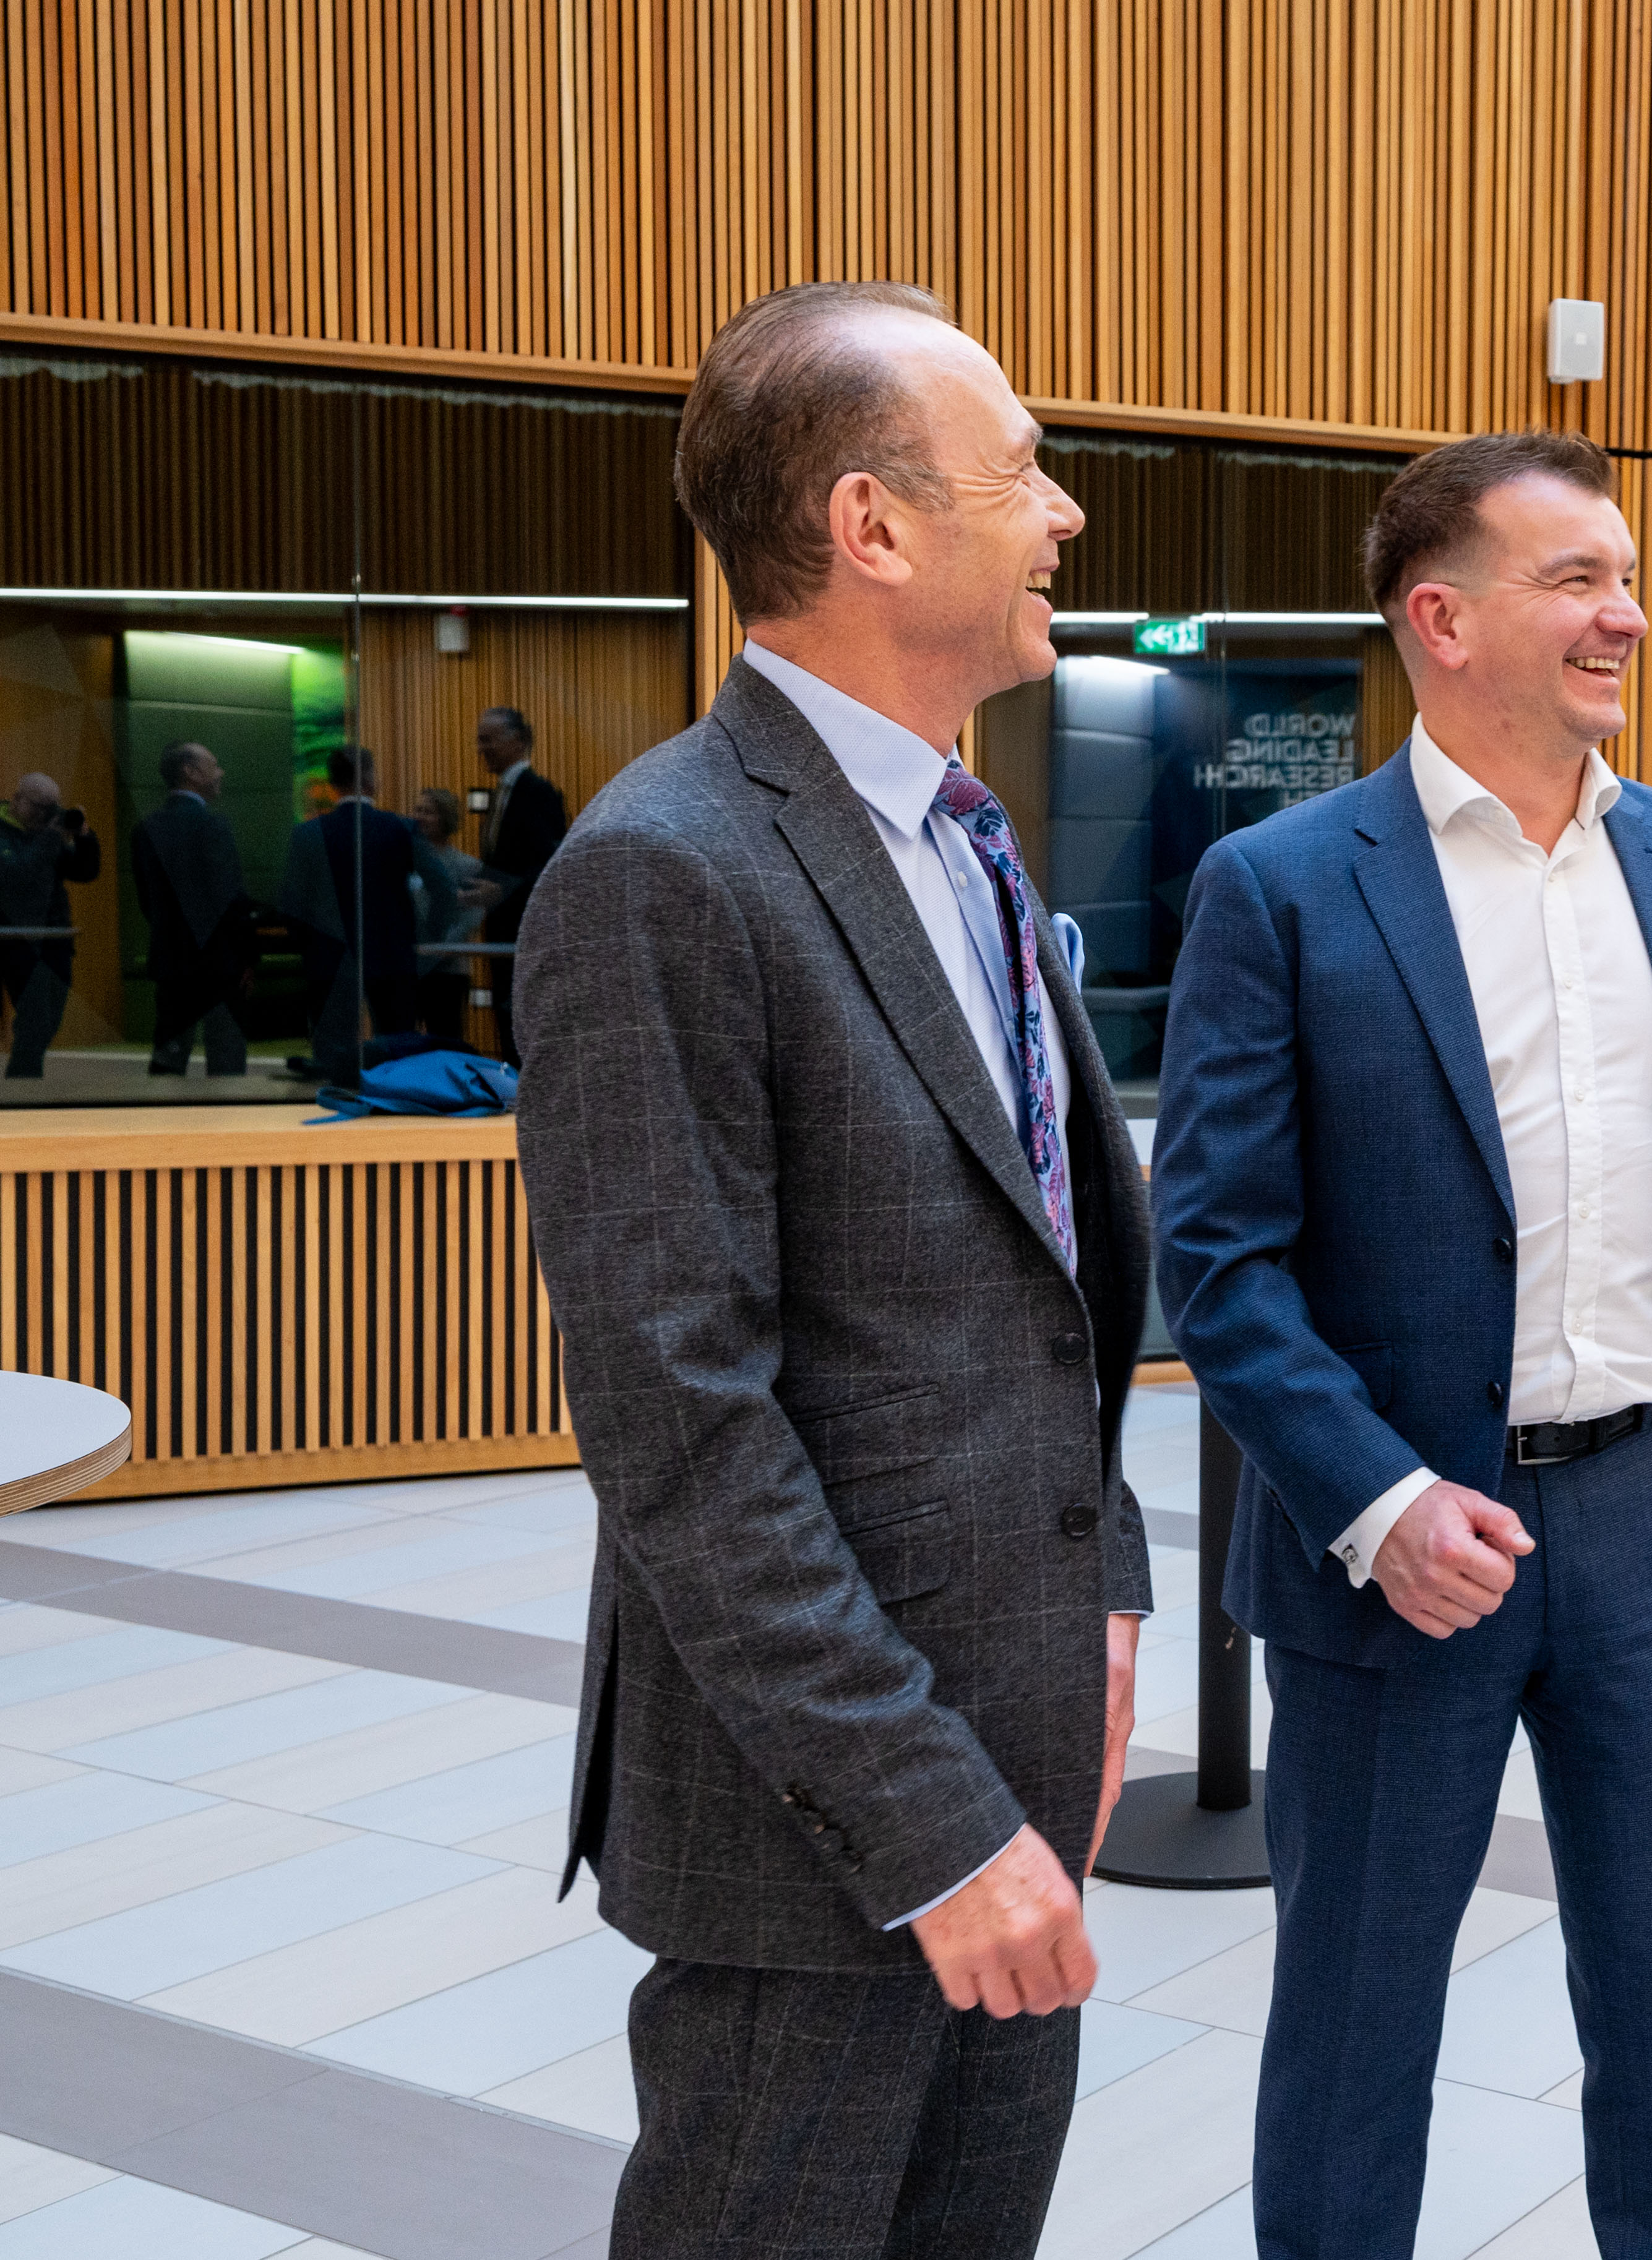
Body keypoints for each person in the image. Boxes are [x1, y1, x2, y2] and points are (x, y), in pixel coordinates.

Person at [1154, 431, 1652, 2260]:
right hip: (1404, 1539)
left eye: (1624, 576)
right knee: (1356, 2010)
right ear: (1439, 615)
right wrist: (1376, 1499)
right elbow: (1218, 1256)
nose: (1624, 613)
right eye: (1576, 579)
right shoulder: (1285, 883)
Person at [513, 280, 1148, 2260]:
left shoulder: (968, 847)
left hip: (1022, 1759)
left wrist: (1105, 1588)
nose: (1063, 517)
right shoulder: (665, 869)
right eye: (1024, 473)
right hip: (828, 1838)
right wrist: (931, 1818)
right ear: (872, 526)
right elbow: (681, 1426)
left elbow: (1037, 1298)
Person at [278, 746, 416, 1088]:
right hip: (390, 953)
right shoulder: (397, 829)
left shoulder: (307, 834)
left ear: (333, 782)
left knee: (331, 1057)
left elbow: (292, 902)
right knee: (395, 1048)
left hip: (328, 955)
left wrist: (309, 948)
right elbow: (418, 891)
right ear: (369, 779)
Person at [131, 741, 257, 1078]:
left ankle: (161, 1130)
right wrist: (247, 957)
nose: (220, 773)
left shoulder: (146, 829)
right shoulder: (214, 827)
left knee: (167, 1065)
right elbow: (231, 901)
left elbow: (148, 901)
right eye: (213, 765)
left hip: (172, 961)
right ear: (190, 772)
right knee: (227, 1064)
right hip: (220, 964)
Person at [475, 703, 567, 1061]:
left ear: (516, 742)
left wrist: (502, 890)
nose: (481, 750)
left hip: (525, 928)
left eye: (488, 740)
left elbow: (550, 863)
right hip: (500, 926)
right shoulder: (499, 793)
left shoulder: (538, 793)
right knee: (503, 1013)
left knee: (521, 1016)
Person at [0, 771, 101, 1079]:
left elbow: (84, 871)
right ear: (17, 799)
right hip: (16, 943)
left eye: (52, 808)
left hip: (55, 940)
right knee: (35, 1019)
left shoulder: (48, 834)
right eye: (39, 806)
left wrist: (85, 837)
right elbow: (16, 876)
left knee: (48, 1022)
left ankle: (22, 1085)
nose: (45, 815)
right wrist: (52, 838)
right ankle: (24, 1091)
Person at [410, 786, 490, 1036]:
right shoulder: (405, 862)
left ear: (446, 818)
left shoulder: (467, 866)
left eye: (429, 812)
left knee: (446, 1044)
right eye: (418, 810)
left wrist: (435, 952)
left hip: (448, 973)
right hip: (409, 969)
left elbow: (470, 920)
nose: (420, 817)